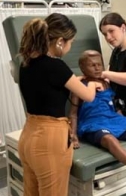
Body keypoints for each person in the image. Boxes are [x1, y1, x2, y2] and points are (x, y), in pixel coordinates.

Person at [17, 13, 103, 196]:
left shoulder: (25, 63)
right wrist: (94, 84)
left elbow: (47, 85)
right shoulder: (57, 67)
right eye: (70, 42)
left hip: (28, 135)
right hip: (50, 139)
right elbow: (88, 96)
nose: (70, 47)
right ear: (60, 41)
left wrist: (73, 81)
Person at [69, 50, 126, 182]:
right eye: (92, 65)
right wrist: (74, 137)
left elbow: (113, 106)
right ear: (82, 67)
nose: (97, 68)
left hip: (111, 118)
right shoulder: (79, 86)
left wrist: (124, 122)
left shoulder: (107, 83)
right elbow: (73, 114)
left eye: (99, 64)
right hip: (92, 123)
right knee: (110, 139)